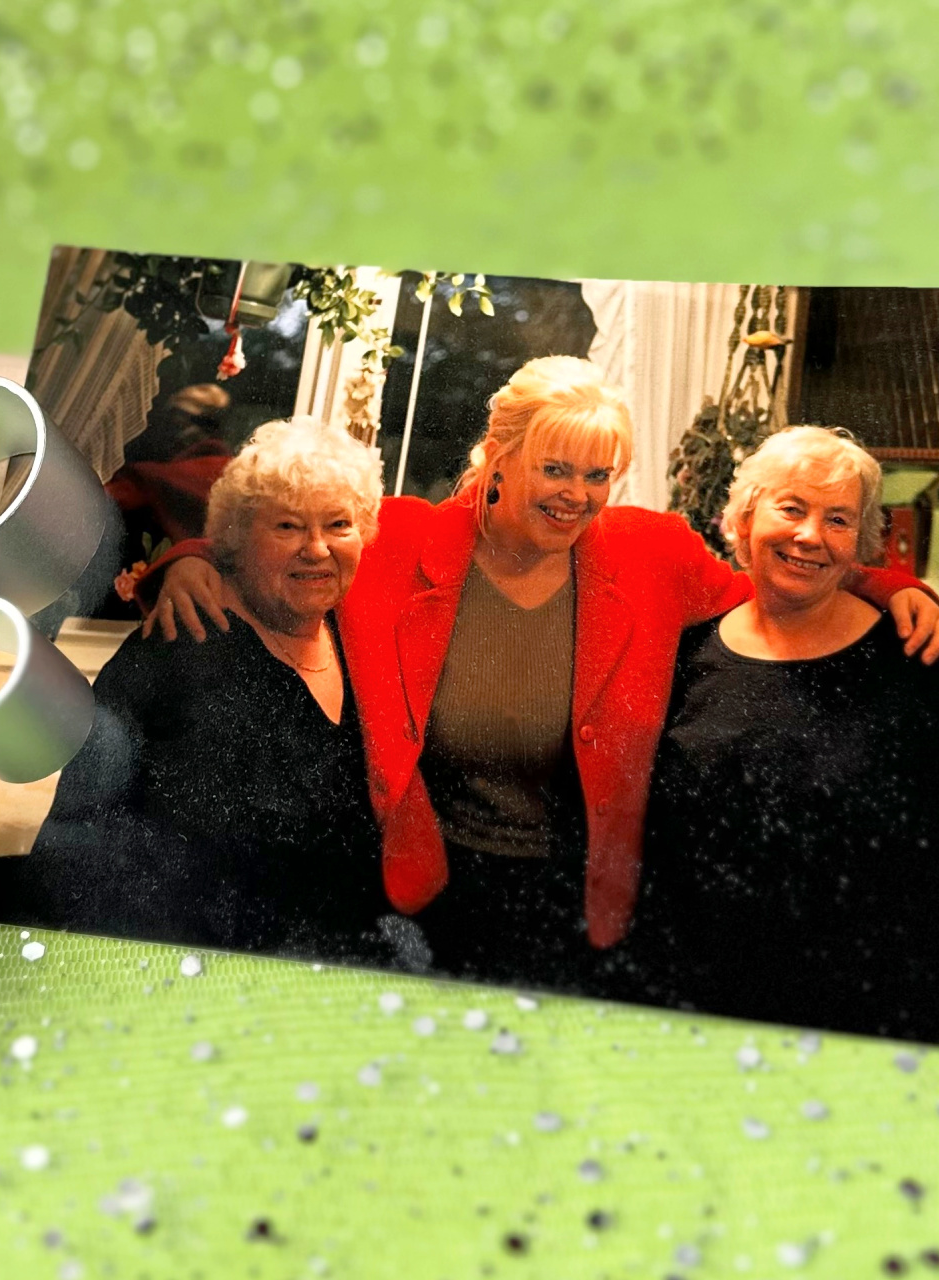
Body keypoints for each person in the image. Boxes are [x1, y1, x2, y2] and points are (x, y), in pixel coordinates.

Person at [144, 357, 939, 986]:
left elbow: (776, 585)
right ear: (500, 455)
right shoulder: (399, 547)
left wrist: (887, 582)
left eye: (599, 476)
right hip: (426, 894)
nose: (579, 496)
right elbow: (284, 552)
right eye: (557, 469)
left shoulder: (652, 555)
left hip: (588, 906)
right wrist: (184, 561)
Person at [0, 416, 401, 966]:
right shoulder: (179, 645)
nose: (316, 548)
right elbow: (83, 829)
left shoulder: (361, 643)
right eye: (286, 527)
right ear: (235, 538)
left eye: (338, 525)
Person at [632, 427, 939, 1039]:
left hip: (866, 1010)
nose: (810, 536)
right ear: (743, 520)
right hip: (692, 999)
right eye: (791, 508)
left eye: (838, 520)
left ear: (859, 543)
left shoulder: (914, 656)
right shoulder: (685, 651)